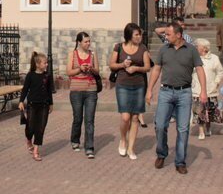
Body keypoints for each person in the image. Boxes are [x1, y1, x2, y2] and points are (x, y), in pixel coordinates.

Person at [147, 22, 208, 174]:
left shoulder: (191, 50)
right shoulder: (163, 49)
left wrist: (203, 91)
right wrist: (149, 90)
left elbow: (200, 69)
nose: (165, 37)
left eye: (168, 34)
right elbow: (156, 70)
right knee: (160, 125)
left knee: (183, 128)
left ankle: (180, 161)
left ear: (178, 35)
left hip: (184, 93)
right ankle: (162, 153)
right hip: (165, 92)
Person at [109, 23, 152, 160]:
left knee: (135, 117)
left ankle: (131, 148)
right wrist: (123, 65)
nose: (139, 37)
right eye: (136, 35)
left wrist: (136, 69)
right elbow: (112, 65)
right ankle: (123, 139)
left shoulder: (143, 48)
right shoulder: (119, 47)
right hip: (122, 84)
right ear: (129, 35)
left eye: (140, 34)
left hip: (139, 85)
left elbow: (147, 67)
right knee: (125, 117)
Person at [67, 31, 99, 159]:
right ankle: (75, 140)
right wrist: (80, 68)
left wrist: (91, 68)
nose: (88, 43)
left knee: (89, 119)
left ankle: (89, 147)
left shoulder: (93, 54)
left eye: (89, 41)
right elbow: (69, 72)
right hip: (76, 90)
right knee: (78, 118)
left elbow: (98, 71)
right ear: (79, 42)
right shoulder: (72, 54)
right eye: (86, 41)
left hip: (91, 89)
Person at [19, 51, 53, 161]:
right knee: (30, 127)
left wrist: (51, 104)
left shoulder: (47, 76)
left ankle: (36, 151)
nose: (47, 65)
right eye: (45, 63)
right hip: (32, 105)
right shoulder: (30, 75)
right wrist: (21, 101)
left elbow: (49, 91)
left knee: (41, 128)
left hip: (44, 105)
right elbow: (25, 89)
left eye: (47, 63)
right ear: (38, 64)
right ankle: (29, 140)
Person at [191, 38, 223, 140]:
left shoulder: (214, 58)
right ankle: (201, 131)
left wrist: (216, 82)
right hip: (197, 90)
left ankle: (208, 127)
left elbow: (220, 72)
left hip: (211, 90)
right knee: (199, 111)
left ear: (204, 48)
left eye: (197, 46)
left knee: (209, 112)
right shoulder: (193, 58)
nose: (195, 47)